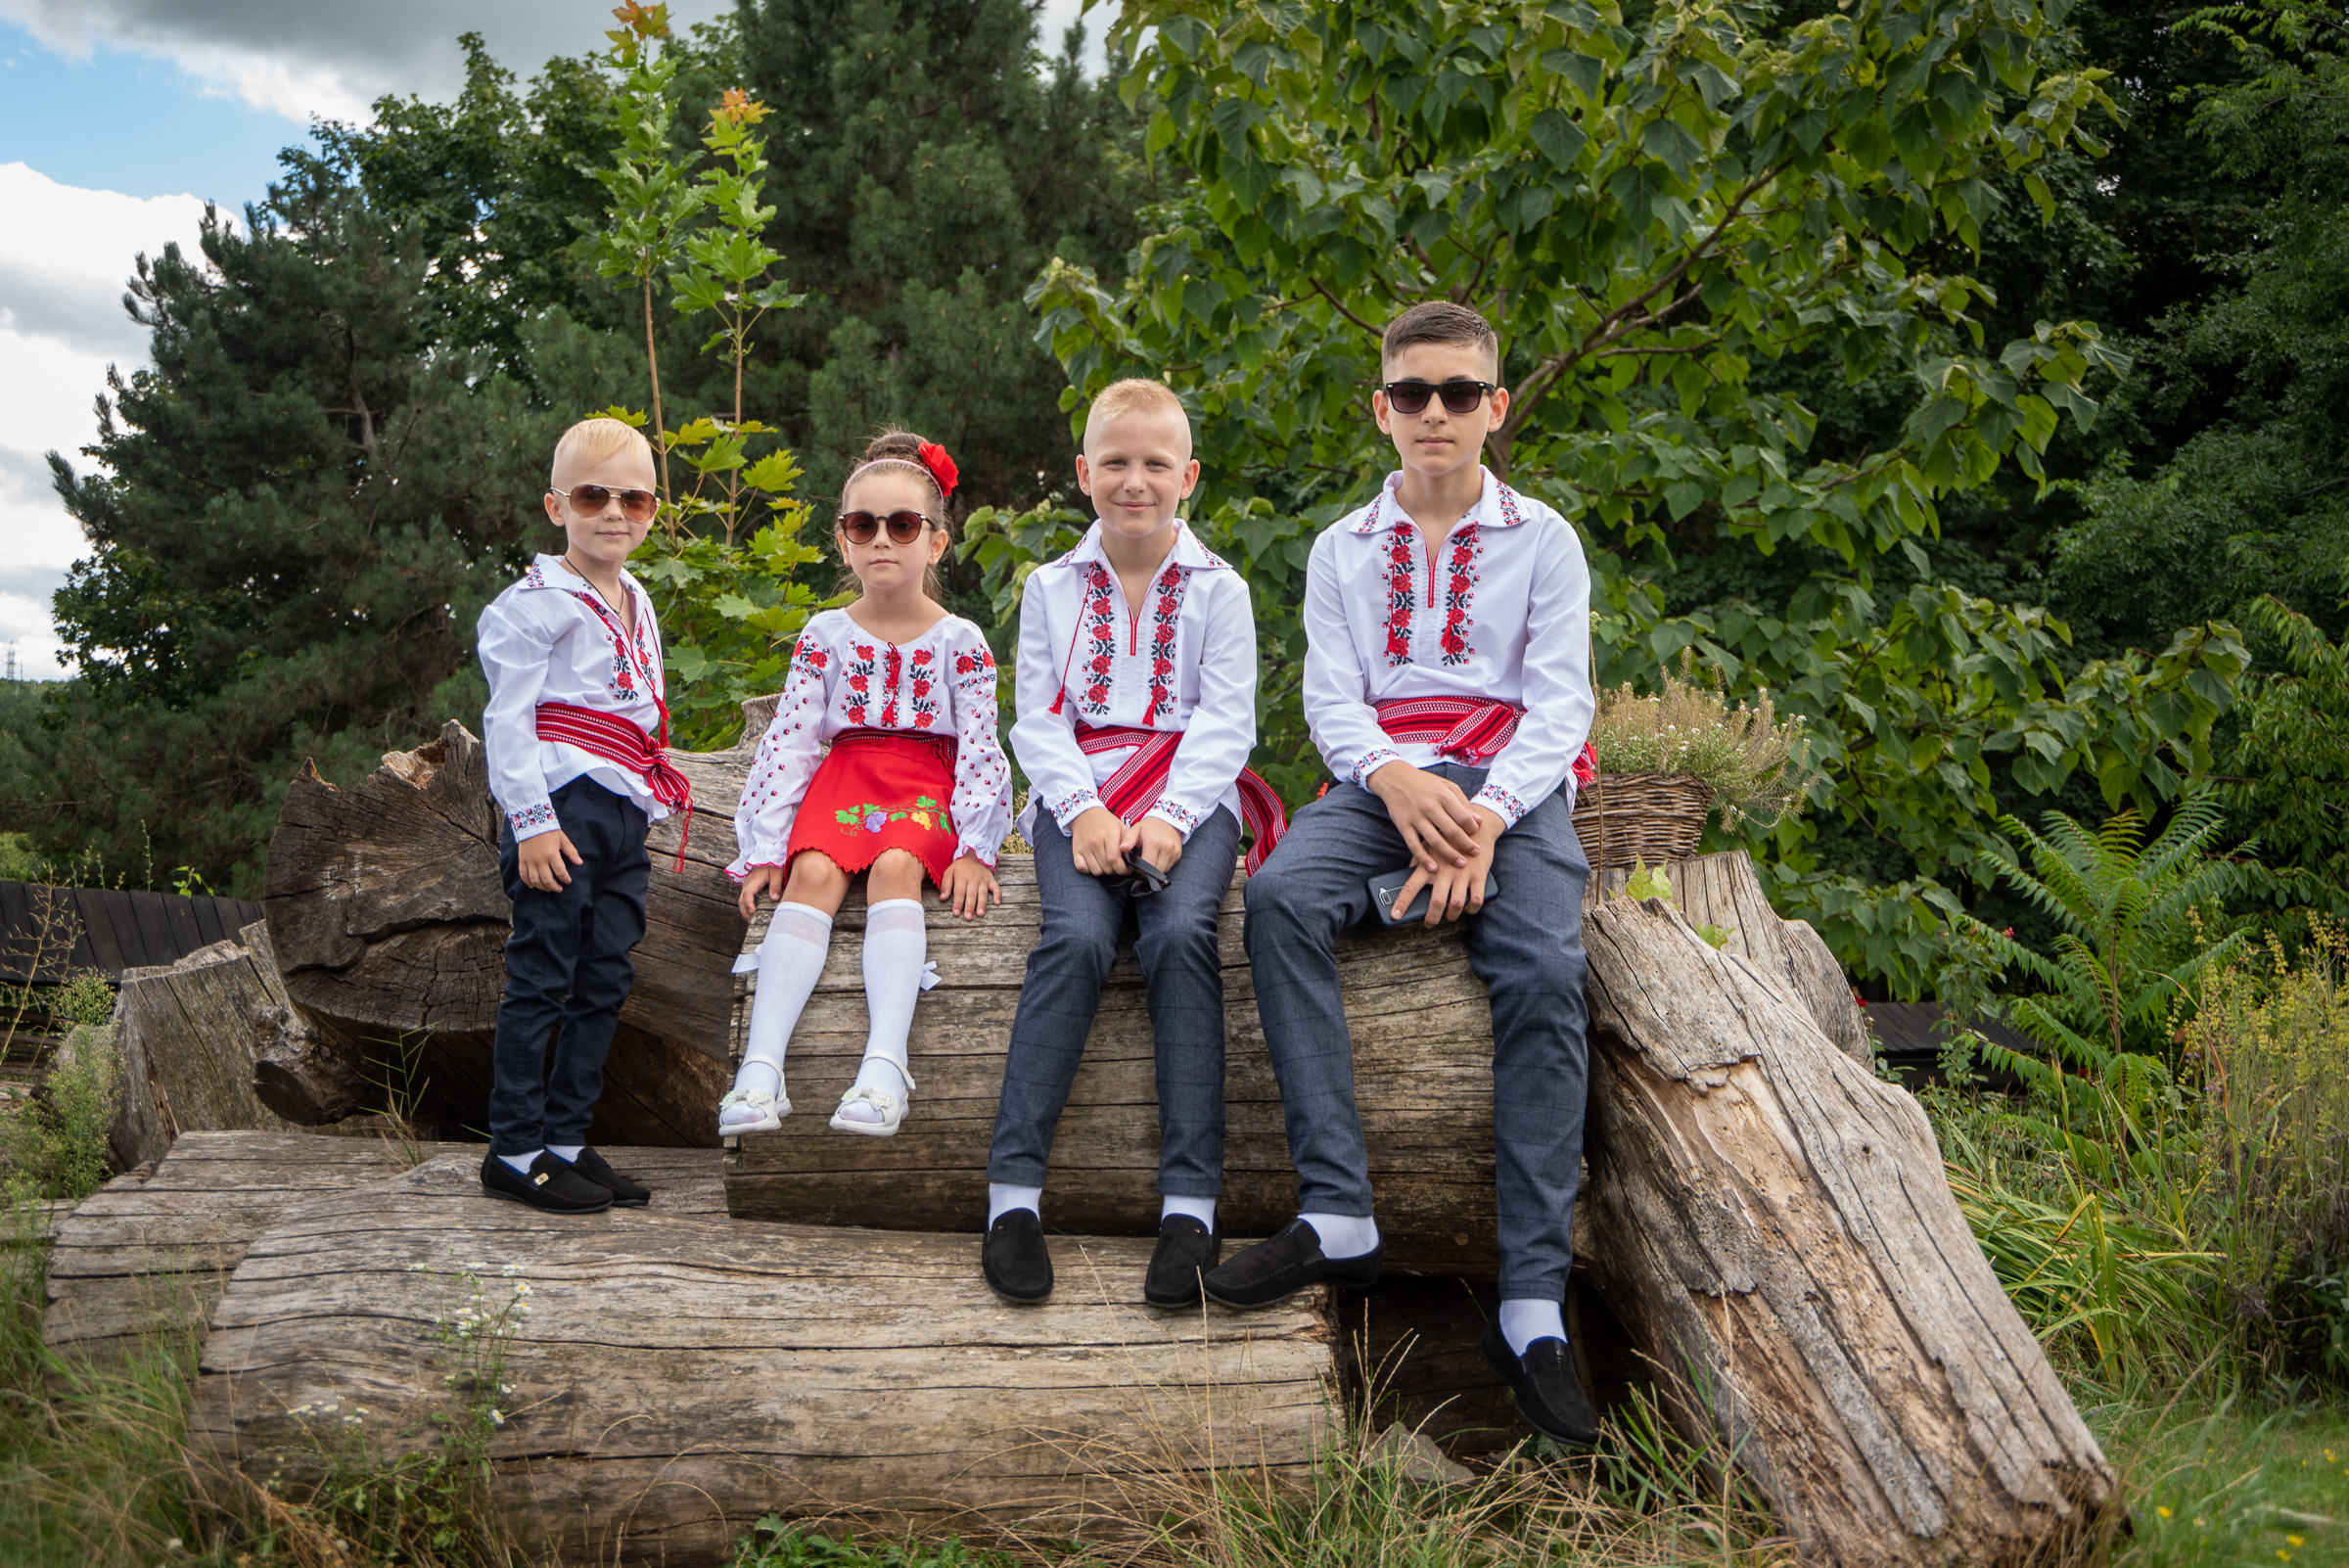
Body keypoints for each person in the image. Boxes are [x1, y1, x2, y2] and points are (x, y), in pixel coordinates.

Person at [1201, 302, 1603, 1444]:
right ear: (1383, 409)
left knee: (1541, 970)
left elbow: (1561, 700)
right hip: (1385, 788)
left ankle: (1531, 1303)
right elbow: (1330, 700)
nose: (1437, 413)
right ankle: (1337, 1211)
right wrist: (1397, 783)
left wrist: (1481, 816)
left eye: (1460, 393)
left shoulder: (1547, 541)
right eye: (1415, 393)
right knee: (1278, 900)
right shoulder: (1343, 548)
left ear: (1495, 407)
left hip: (1508, 793)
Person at [978, 378, 1288, 1309]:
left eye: (1156, 464)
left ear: (1187, 475)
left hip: (1188, 798)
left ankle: (1190, 1207)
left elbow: (1228, 723)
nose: (1135, 481)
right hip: (1082, 794)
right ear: (1084, 472)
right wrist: (1078, 811)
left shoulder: (1219, 589)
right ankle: (1011, 1197)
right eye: (1115, 462)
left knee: (1181, 935)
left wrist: (1172, 818)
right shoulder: (1049, 587)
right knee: (1073, 939)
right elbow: (1034, 715)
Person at [719, 431, 1011, 1139]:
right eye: (863, 524)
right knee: (812, 870)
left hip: (923, 783)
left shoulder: (960, 640)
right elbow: (789, 741)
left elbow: (979, 746)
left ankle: (885, 1066)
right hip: (845, 774)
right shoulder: (824, 635)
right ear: (844, 542)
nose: (883, 539)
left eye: (903, 524)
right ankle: (760, 1072)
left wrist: (977, 844)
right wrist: (764, 847)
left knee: (896, 865)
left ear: (935, 543)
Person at [476, 416, 689, 1214]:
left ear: (651, 512)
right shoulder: (532, 605)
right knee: (543, 978)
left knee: (605, 975)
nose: (614, 513)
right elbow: (510, 720)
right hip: (561, 806)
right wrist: (530, 822)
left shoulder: (637, 597)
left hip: (621, 811)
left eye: (634, 499)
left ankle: (565, 1138)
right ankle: (515, 1148)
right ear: (556, 505)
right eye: (594, 495)